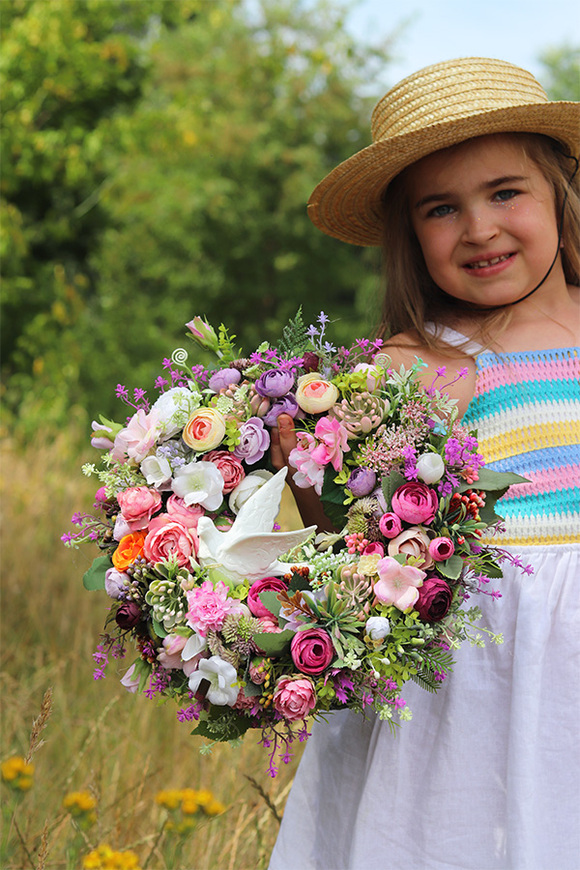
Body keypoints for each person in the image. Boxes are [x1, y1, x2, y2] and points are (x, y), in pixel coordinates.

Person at [268, 57, 580, 870]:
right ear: (413, 235)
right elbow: (356, 540)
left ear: (559, 193)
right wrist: (304, 463)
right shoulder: (421, 365)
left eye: (505, 192)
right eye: (443, 209)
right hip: (476, 678)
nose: (479, 228)